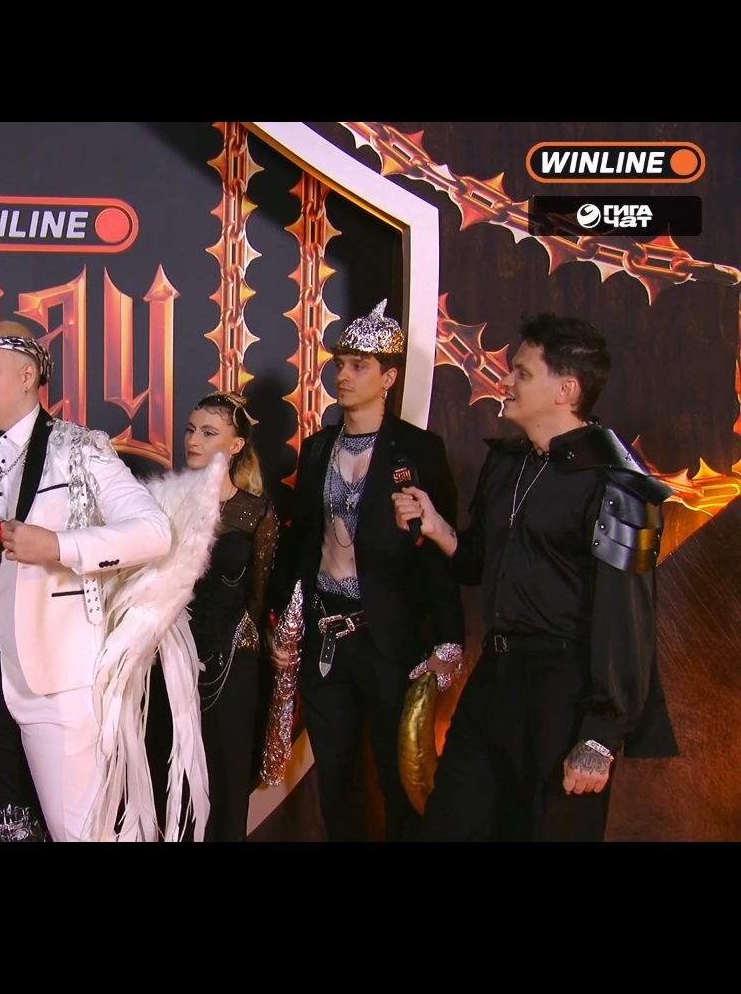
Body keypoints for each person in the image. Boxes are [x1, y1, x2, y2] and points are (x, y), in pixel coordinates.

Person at [393, 313, 678, 841]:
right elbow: (480, 561)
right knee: (449, 824)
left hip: (564, 691)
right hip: (495, 679)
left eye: (522, 373)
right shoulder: (508, 465)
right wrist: (437, 528)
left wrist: (600, 734)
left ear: (566, 390)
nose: (504, 380)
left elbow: (627, 620)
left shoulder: (618, 485)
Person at [0, 320, 172, 842]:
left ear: (28, 376)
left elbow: (154, 532)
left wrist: (60, 546)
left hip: (58, 676)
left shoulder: (80, 447)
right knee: (0, 827)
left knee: (78, 830)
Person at [270, 299, 466, 842]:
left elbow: (437, 551)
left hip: (389, 638)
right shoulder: (317, 449)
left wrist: (449, 639)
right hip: (325, 634)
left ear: (389, 378)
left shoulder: (419, 449)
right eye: (340, 364)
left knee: (399, 774)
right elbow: (301, 542)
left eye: (360, 366)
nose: (345, 375)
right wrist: (283, 618)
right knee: (337, 776)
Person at [146, 391, 278, 842]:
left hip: (230, 662)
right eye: (190, 430)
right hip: (168, 658)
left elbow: (260, 596)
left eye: (208, 432)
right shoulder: (163, 502)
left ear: (236, 444)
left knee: (224, 775)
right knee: (166, 771)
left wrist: (249, 646)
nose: (193, 440)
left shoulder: (255, 512)